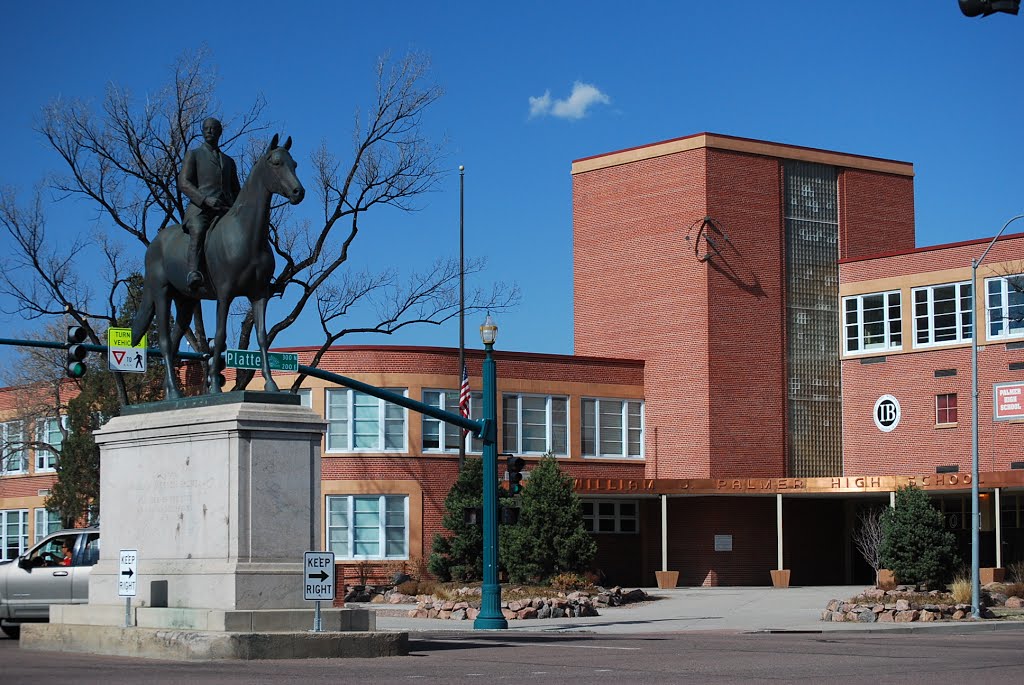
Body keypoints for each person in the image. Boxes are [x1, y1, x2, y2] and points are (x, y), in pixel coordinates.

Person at [178, 117, 241, 292]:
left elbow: (236, 190)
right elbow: (183, 183)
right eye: (206, 128)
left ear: (220, 132)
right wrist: (205, 200)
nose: (209, 131)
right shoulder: (194, 154)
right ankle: (193, 271)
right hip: (200, 210)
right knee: (198, 230)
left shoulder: (229, 161)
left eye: (213, 129)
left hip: (225, 211)